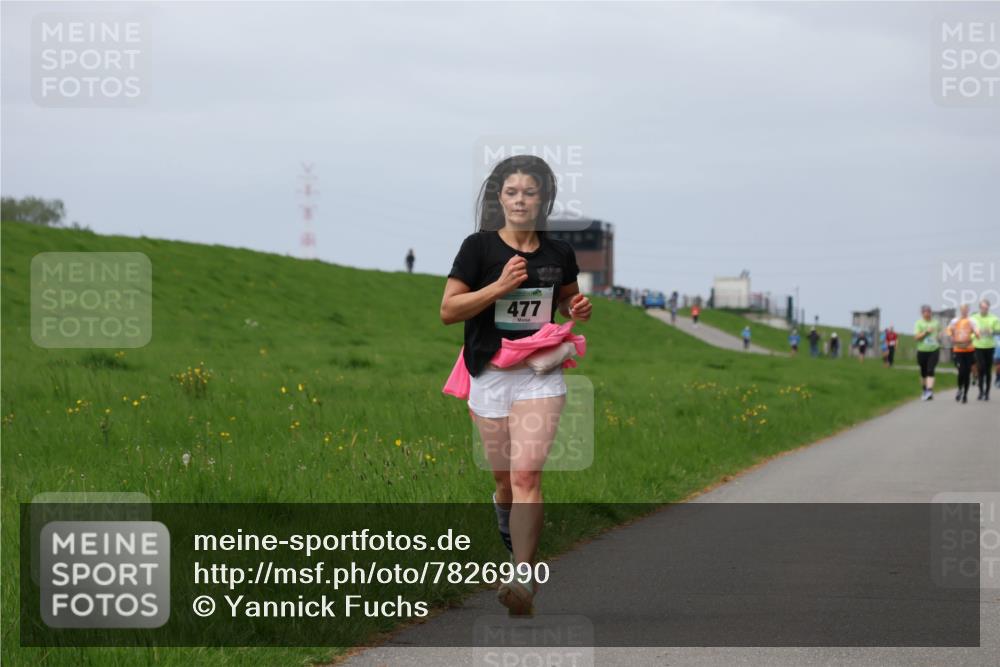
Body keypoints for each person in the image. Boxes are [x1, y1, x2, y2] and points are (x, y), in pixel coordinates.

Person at [440, 154, 590, 616]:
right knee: (504, 481)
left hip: (538, 374)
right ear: (498, 198)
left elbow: (566, 300)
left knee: (527, 475)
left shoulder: (559, 253)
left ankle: (523, 579)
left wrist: (577, 310)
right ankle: (509, 533)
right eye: (511, 192)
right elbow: (449, 310)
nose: (520, 200)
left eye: (529, 192)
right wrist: (498, 288)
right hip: (489, 373)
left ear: (544, 198)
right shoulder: (478, 248)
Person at [946, 304, 980, 404]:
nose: (964, 311)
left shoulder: (972, 321)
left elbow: (976, 331)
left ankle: (965, 394)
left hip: (969, 350)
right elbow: (949, 330)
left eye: (966, 310)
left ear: (968, 310)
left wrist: (976, 335)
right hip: (958, 350)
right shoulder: (955, 321)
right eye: (962, 310)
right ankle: (960, 389)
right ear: (960, 310)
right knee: (961, 372)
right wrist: (951, 336)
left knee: (967, 373)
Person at [970, 298, 998, 400]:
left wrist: (993, 331)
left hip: (990, 346)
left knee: (988, 370)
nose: (984, 309)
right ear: (979, 308)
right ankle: (980, 392)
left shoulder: (994, 318)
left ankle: (987, 393)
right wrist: (974, 335)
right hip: (978, 346)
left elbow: (998, 331)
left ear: (988, 308)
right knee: (981, 368)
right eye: (982, 308)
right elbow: (970, 331)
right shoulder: (973, 318)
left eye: (986, 308)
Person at [914, 305, 941, 400]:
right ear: (922, 313)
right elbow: (916, 337)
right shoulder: (919, 323)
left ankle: (929, 390)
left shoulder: (936, 323)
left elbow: (940, 333)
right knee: (923, 372)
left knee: (930, 370)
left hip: (934, 350)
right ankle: (924, 390)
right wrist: (926, 332)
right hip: (922, 350)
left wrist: (939, 337)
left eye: (929, 312)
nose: (927, 313)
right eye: (925, 312)